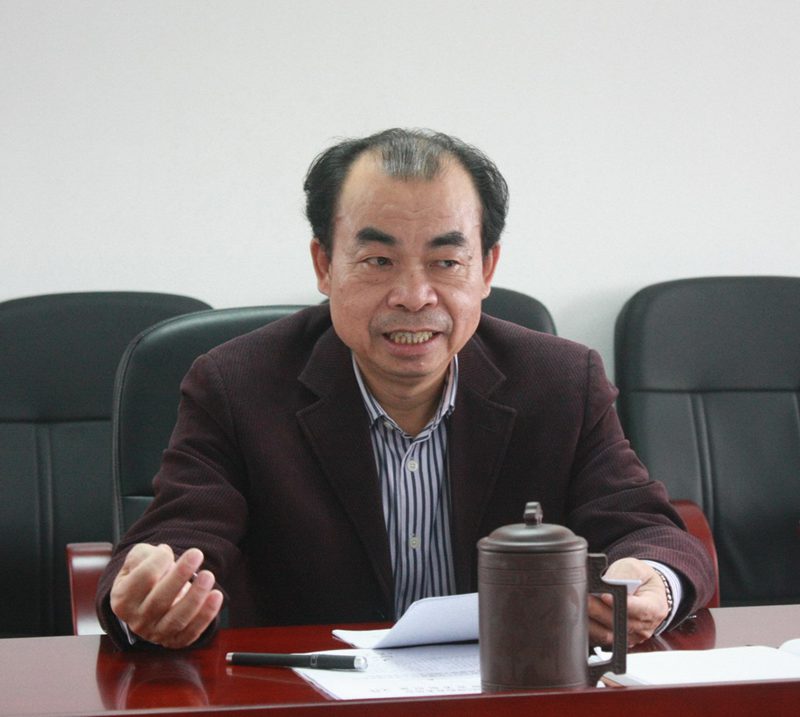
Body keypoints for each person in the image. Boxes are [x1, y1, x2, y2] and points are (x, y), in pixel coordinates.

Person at [97, 128, 715, 650]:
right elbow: (179, 538)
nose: (415, 297)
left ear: (486, 269)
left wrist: (654, 581)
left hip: (510, 692)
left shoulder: (560, 382)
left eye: (446, 262)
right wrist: (150, 595)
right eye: (379, 261)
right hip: (310, 698)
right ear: (324, 265)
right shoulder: (236, 386)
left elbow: (650, 530)